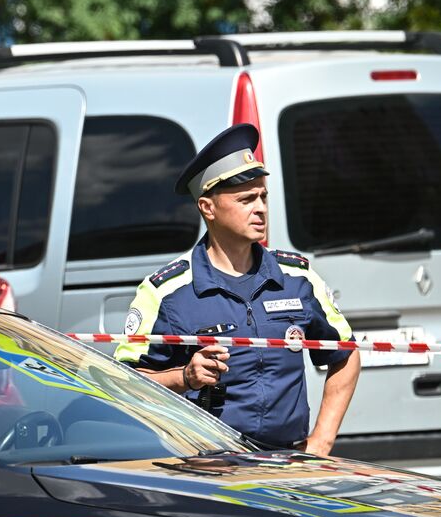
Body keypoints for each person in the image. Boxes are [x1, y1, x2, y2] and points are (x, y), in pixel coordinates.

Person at [115, 123, 360, 455]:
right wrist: (185, 377)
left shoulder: (297, 277)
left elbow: (345, 354)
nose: (259, 208)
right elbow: (124, 385)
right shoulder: (166, 292)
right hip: (204, 466)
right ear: (208, 208)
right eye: (246, 199)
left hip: (287, 465)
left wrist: (321, 441)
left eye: (263, 196)